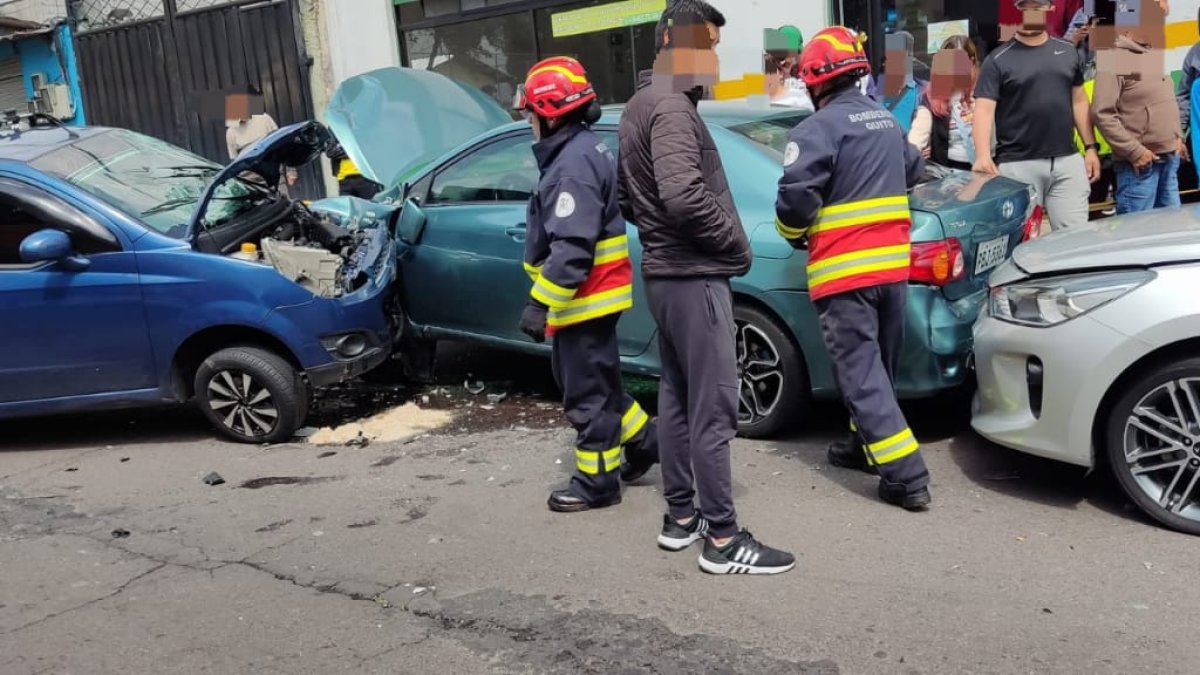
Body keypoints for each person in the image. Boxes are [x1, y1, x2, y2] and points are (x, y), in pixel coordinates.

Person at [617, 0, 794, 575]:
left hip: (666, 274)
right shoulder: (671, 108)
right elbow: (683, 195)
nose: (715, 57)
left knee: (675, 397)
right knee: (714, 407)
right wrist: (735, 249)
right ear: (672, 39)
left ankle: (680, 518)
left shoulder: (642, 103)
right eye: (708, 44)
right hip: (693, 276)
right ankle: (722, 539)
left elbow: (630, 200)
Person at [774, 26, 931, 511]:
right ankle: (862, 446)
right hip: (892, 270)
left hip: (845, 273)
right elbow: (913, 169)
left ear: (816, 83)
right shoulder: (884, 120)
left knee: (861, 375)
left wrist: (790, 233)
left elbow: (796, 202)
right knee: (878, 369)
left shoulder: (816, 129)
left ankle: (907, 477)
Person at [515, 56, 660, 513]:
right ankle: (642, 439)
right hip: (595, 298)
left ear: (550, 113)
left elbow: (572, 248)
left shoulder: (571, 165)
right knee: (599, 379)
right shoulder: (586, 148)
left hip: (585, 299)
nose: (529, 122)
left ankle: (597, 482)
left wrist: (540, 303)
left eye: (531, 113)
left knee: (585, 391)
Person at [972, 0, 1101, 231]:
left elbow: (1079, 101)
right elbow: (983, 109)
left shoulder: (1068, 52)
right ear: (1018, 10)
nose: (1031, 12)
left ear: (1048, 10)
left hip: (1067, 161)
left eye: (1037, 6)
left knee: (1075, 239)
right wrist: (983, 156)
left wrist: (1090, 147)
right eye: (1026, 6)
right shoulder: (998, 60)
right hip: (1018, 164)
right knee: (1022, 242)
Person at [1090, 0, 1183, 214]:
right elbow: (1101, 113)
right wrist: (1134, 151)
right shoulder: (1114, 57)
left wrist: (1176, 136)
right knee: (1139, 236)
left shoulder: (1151, 54)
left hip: (1168, 160)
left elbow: (1162, 101)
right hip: (1141, 167)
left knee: (1169, 234)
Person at [909, 35, 980, 170]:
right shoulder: (930, 101)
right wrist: (915, 154)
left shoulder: (982, 93)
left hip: (984, 171)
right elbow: (915, 141)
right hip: (950, 175)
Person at [225, 87, 298, 194]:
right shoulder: (231, 133)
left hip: (275, 175)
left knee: (283, 206)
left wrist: (291, 170)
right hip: (250, 183)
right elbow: (235, 162)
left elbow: (283, 144)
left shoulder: (264, 119)